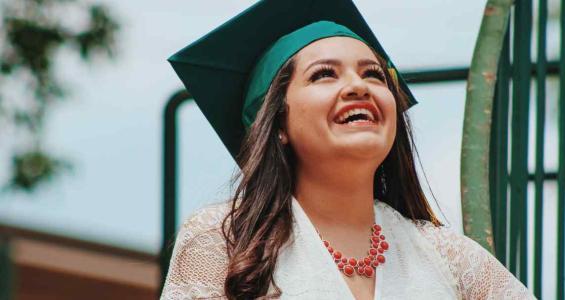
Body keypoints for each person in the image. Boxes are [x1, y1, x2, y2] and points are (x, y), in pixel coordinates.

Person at [162, 0, 535, 299]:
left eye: (373, 74)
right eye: (324, 74)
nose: (359, 86)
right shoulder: (224, 242)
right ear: (277, 124)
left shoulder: (448, 257)